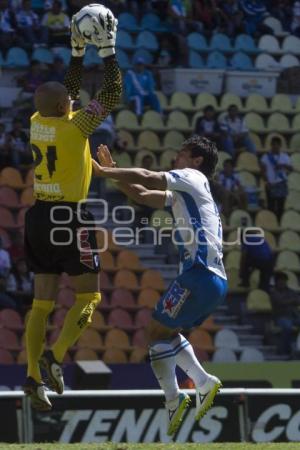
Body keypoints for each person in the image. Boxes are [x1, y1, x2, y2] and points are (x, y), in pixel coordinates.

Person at [93, 137, 227, 436]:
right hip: (211, 279)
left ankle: (174, 397)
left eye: (181, 154)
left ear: (196, 161)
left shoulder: (193, 177)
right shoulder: (186, 192)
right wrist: (114, 171)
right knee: (165, 335)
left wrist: (104, 173)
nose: (175, 158)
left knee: (155, 334)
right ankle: (202, 383)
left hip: (199, 273)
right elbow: (141, 194)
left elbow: (147, 176)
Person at [23, 9, 121, 411]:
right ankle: (55, 355)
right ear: (67, 106)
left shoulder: (37, 120)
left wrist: (77, 54)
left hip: (37, 217)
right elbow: (113, 94)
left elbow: (67, 90)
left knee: (42, 303)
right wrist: (108, 51)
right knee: (89, 296)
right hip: (69, 216)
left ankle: (31, 376)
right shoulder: (74, 127)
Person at [260, 136, 292, 219]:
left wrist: (283, 165)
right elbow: (263, 171)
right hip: (271, 184)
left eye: (277, 145)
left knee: (281, 206)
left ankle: (279, 222)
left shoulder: (285, 157)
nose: (275, 146)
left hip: (281, 183)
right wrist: (267, 182)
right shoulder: (266, 157)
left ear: (280, 145)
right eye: (274, 145)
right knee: (271, 206)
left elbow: (291, 168)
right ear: (271, 145)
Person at [270, 271, 300, 354]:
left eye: (284, 280)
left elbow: (298, 300)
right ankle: (285, 350)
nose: (283, 282)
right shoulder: (273, 292)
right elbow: (280, 302)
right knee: (287, 327)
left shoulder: (291, 291)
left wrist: (291, 301)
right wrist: (292, 301)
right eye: (281, 280)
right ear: (276, 282)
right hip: (280, 317)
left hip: (294, 316)